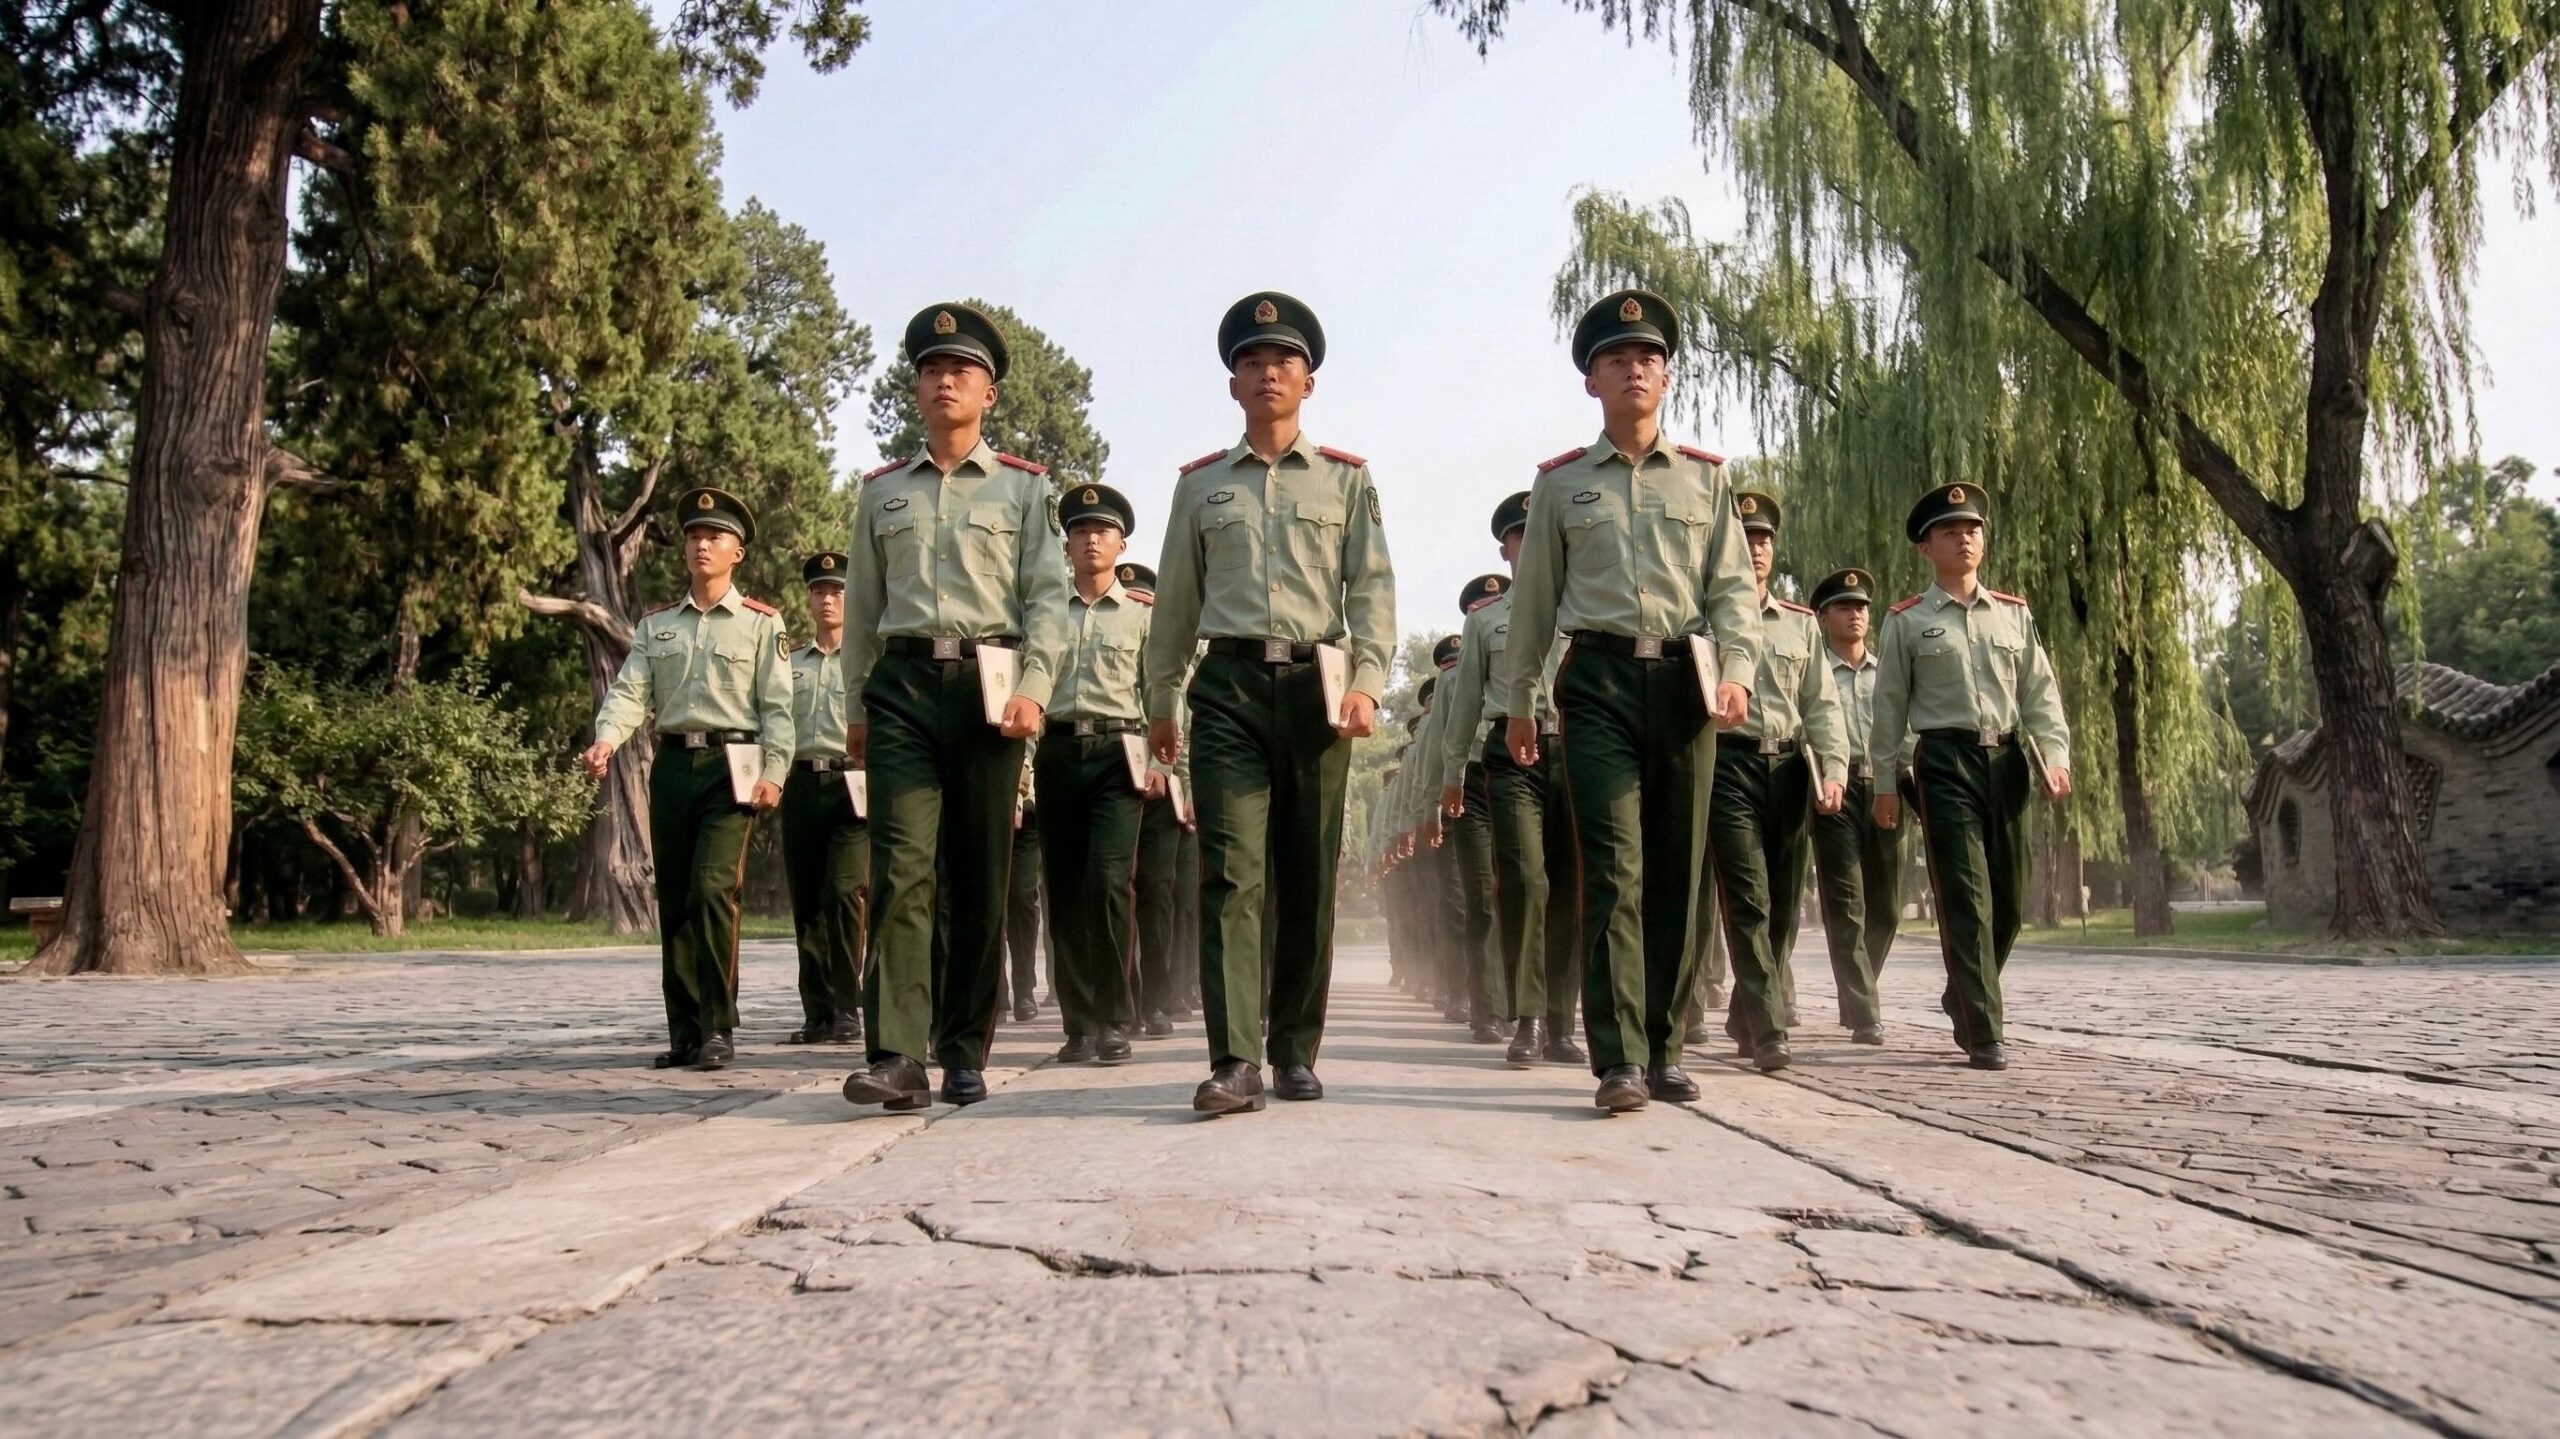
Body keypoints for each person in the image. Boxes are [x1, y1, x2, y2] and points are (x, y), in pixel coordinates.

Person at [1499, 289, 1761, 1114]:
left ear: (1668, 375)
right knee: (1615, 865)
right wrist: (1519, 701)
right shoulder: (1562, 485)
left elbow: (1731, 591)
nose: (1633, 370)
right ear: (1592, 382)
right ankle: (1616, 1058)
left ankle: (1665, 1044)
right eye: (1616, 360)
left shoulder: (1706, 481)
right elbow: (1535, 601)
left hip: (1686, 681)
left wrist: (1738, 672)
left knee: (1679, 872)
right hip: (1598, 679)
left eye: (1647, 357)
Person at [1146, 291, 1396, 1116]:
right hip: (1226, 691)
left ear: (1308, 381)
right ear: (1232, 384)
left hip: (1319, 695)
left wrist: (1367, 682)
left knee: (1307, 875)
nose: (1266, 374)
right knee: (1231, 874)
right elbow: (1176, 606)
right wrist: (1161, 700)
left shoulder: (1347, 481)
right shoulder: (1199, 488)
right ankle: (1234, 1059)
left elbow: (1373, 589)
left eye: (1282, 361)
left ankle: (1295, 1048)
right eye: (1250, 363)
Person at [838, 301, 1071, 1111]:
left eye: (962, 371)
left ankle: (964, 1046)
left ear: (989, 394)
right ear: (916, 388)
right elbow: (861, 612)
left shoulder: (1023, 491)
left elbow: (1047, 598)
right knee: (901, 870)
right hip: (900, 687)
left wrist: (1036, 688)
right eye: (933, 370)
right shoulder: (881, 495)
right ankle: (897, 1051)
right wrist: (855, 709)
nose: (946, 380)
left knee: (979, 875)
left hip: (990, 690)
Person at [583, 487, 791, 1073]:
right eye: (694, 536)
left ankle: (719, 1027)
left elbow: (778, 706)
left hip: (734, 770)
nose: (702, 544)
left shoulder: (760, 624)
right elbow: (631, 690)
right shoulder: (657, 626)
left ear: (737, 554)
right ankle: (686, 1031)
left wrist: (775, 770)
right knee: (673, 901)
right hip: (672, 767)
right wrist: (607, 738)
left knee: (711, 892)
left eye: (715, 537)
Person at [1870, 484, 2072, 1071]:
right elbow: (1887, 711)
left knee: (2009, 901)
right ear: (1925, 547)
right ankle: (1984, 1030)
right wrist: (1887, 783)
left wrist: (2054, 757)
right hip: (1943, 762)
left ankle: (1964, 989)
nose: (1964, 538)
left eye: (1973, 529)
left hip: (2007, 761)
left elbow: (2040, 694)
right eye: (1950, 531)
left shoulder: (2013, 614)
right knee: (1967, 897)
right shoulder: (1906, 622)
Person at [1436, 493, 1583, 1068]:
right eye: (1521, 535)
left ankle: (1562, 1023)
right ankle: (1527, 1017)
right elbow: (1466, 702)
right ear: (1506, 548)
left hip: (1576, 748)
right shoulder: (1486, 622)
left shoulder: (1584, 608)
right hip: (1509, 754)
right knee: (1524, 879)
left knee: (1569, 885)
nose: (1532, 542)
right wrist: (1452, 777)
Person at [1707, 491, 1847, 1072]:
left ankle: (1745, 1011)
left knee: (1786, 904)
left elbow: (1822, 703)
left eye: (1763, 539)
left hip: (1789, 768)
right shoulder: (1701, 619)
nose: (1756, 548)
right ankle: (1769, 1027)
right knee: (1748, 897)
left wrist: (1834, 767)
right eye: (1744, 537)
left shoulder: (1800, 626)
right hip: (1726, 764)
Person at [1037, 484, 1154, 1064]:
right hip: (1056, 752)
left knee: (1108, 882)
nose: (1090, 539)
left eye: (1101, 531)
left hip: (1118, 755)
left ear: (1120, 542)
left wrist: (1162, 763)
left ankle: (1113, 1016)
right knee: (1063, 889)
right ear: (1067, 544)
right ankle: (1078, 1022)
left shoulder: (1140, 616)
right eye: (1080, 531)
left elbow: (1161, 691)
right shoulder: (1042, 612)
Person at [1806, 566, 1903, 1045]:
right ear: (1823, 618)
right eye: (1845, 608)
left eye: (1862, 607)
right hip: (1834, 793)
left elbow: (1907, 730)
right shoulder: (1813, 670)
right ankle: (1866, 1014)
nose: (1855, 615)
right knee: (1847, 902)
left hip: (1884, 787)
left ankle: (1858, 992)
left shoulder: (1888, 669)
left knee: (1886, 908)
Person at [780, 550, 868, 1049]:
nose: (828, 599)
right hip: (799, 783)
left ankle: (848, 1004)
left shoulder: (866, 659)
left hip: (852, 786)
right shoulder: (788, 663)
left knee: (844, 894)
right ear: (809, 599)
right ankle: (817, 1012)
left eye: (836, 591)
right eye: (819, 591)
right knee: (808, 901)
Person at [1117, 561, 1187, 1038]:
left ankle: (1158, 999)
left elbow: (1177, 711)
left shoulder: (1166, 648)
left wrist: (1168, 771)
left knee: (1158, 894)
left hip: (1163, 787)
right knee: (1115, 891)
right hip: (1113, 771)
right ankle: (1123, 999)